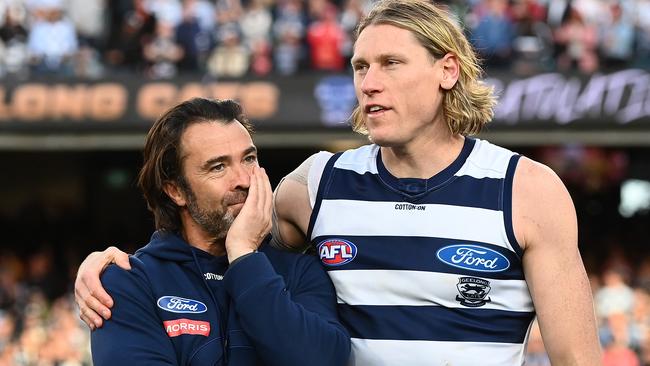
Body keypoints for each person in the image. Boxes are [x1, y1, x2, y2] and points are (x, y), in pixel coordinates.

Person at [76, 1, 602, 365]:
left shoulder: (526, 190)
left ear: (448, 70)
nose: (369, 82)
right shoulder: (315, 185)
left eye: (391, 64)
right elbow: (219, 235)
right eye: (360, 66)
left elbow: (577, 358)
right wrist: (105, 264)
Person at [88, 97, 350, 365]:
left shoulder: (300, 271)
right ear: (175, 190)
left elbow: (325, 359)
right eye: (218, 167)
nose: (243, 180)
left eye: (249, 159)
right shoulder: (129, 283)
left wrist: (244, 256)